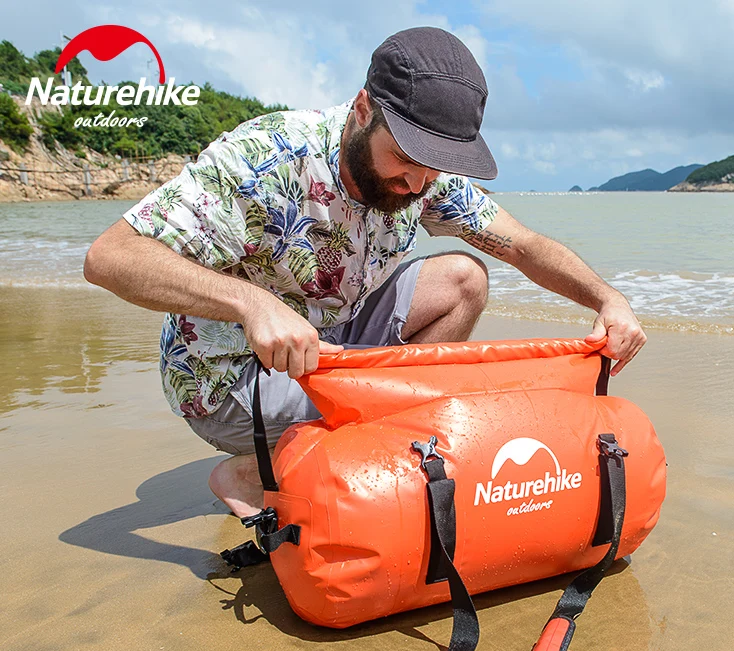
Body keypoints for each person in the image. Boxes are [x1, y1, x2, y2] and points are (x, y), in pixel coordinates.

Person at [84, 27, 646, 520]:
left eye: (434, 167)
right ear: (362, 109)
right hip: (230, 376)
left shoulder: (423, 176)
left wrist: (607, 299)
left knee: (464, 279)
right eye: (405, 158)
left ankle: (361, 437)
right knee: (410, 405)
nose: (417, 184)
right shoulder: (265, 159)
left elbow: (521, 245)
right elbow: (110, 256)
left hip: (331, 337)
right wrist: (252, 305)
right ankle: (258, 470)